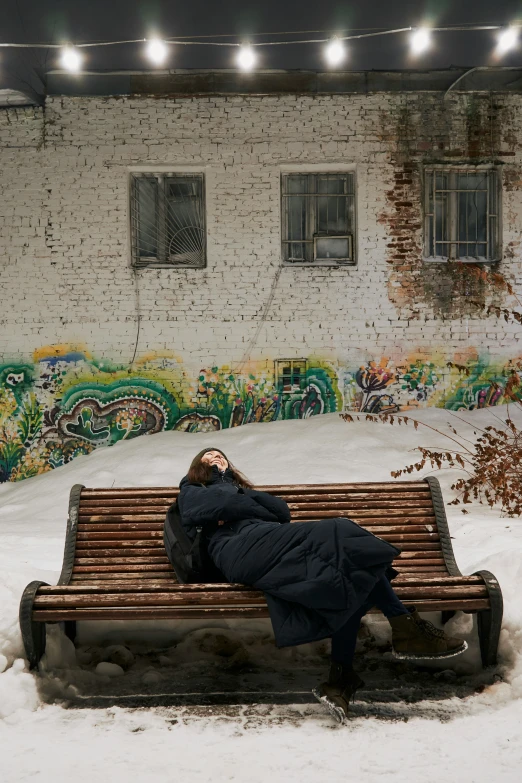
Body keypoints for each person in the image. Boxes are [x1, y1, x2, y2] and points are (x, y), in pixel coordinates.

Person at [176, 447, 467, 724]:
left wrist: (238, 495)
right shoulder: (191, 489)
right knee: (340, 530)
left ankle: (340, 681)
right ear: (197, 467)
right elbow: (218, 507)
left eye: (220, 456)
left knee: (350, 569)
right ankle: (406, 628)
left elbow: (281, 511)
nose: (215, 458)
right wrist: (239, 499)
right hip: (236, 551)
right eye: (208, 456)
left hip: (270, 544)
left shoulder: (242, 490)